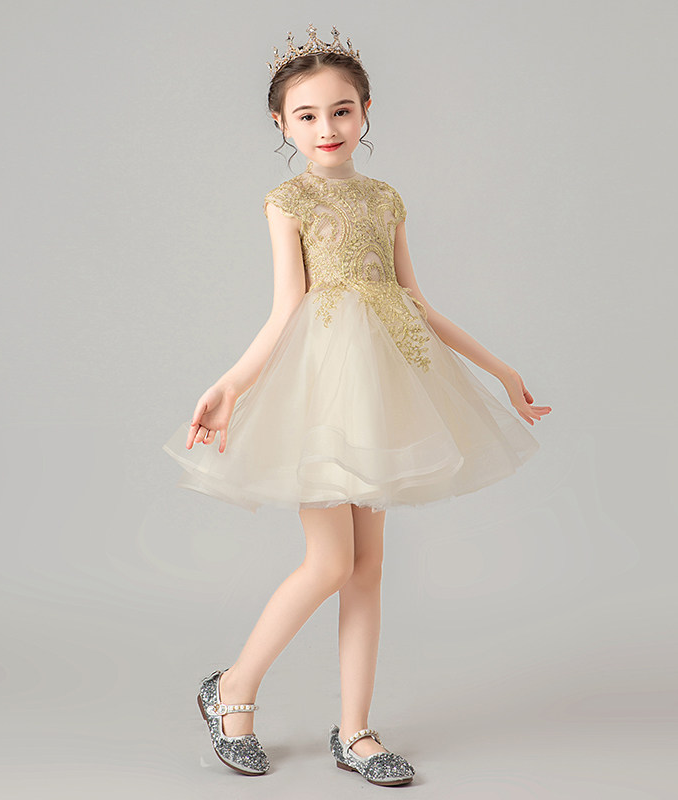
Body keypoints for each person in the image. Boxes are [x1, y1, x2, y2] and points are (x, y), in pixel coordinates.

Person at [162, 23, 551, 786]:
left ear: (366, 110)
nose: (327, 127)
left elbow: (415, 300)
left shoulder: (385, 197)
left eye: (341, 110)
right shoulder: (288, 200)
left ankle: (356, 731)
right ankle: (232, 690)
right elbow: (285, 309)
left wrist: (501, 372)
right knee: (330, 560)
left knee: (367, 567)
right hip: (320, 387)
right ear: (281, 124)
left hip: (386, 383)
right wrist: (233, 384)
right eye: (306, 115)